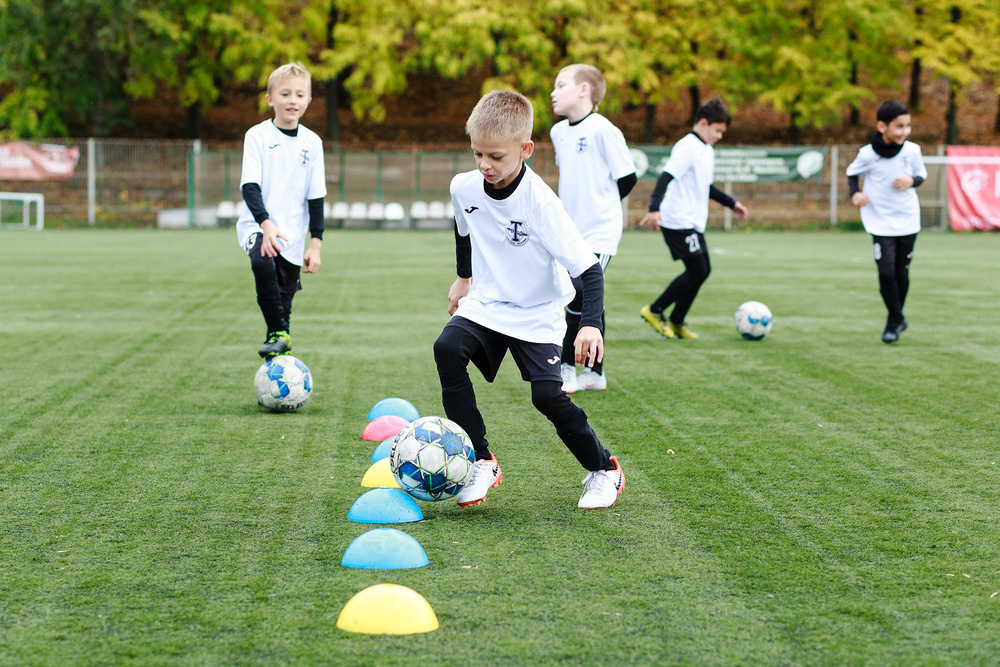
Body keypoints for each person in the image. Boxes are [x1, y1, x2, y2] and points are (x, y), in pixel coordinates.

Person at [434, 89, 624, 510]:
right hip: (488, 303)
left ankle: (603, 468)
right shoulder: (463, 187)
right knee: (446, 348)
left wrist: (590, 323)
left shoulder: (540, 202)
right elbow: (463, 229)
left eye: (496, 157)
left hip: (538, 313)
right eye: (477, 153)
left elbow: (588, 269)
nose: (484, 165)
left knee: (547, 398)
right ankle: (481, 460)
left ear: (525, 149)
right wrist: (464, 278)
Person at [550, 64, 637, 394]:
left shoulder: (604, 130)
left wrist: (603, 208)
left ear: (584, 90)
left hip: (600, 231)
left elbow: (627, 177)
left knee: (578, 290)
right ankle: (595, 372)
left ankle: (567, 366)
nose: (553, 92)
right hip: (569, 231)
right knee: (585, 298)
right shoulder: (558, 132)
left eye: (561, 85)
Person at [235, 62, 326, 358]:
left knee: (284, 302)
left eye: (300, 95)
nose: (292, 101)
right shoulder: (257, 136)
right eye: (285, 94)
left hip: (293, 233)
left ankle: (278, 358)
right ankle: (277, 334)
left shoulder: (313, 143)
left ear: (308, 101)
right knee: (262, 260)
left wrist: (316, 243)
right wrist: (265, 224)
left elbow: (316, 197)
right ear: (270, 98)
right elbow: (250, 186)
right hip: (258, 226)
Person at [638, 98, 748, 339]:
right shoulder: (687, 146)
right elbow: (665, 177)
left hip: (693, 222)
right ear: (703, 123)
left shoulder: (706, 150)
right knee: (698, 270)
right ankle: (655, 310)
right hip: (677, 220)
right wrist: (654, 208)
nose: (719, 136)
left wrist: (732, 204)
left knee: (703, 270)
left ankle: (677, 320)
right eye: (717, 130)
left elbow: (705, 186)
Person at [846, 99, 927, 343]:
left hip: (908, 218)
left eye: (908, 126)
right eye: (899, 126)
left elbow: (920, 175)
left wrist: (910, 182)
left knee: (901, 272)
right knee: (886, 272)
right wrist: (855, 193)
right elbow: (852, 173)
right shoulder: (867, 153)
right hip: (879, 221)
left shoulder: (912, 151)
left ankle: (895, 320)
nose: (904, 132)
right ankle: (896, 318)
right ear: (882, 126)